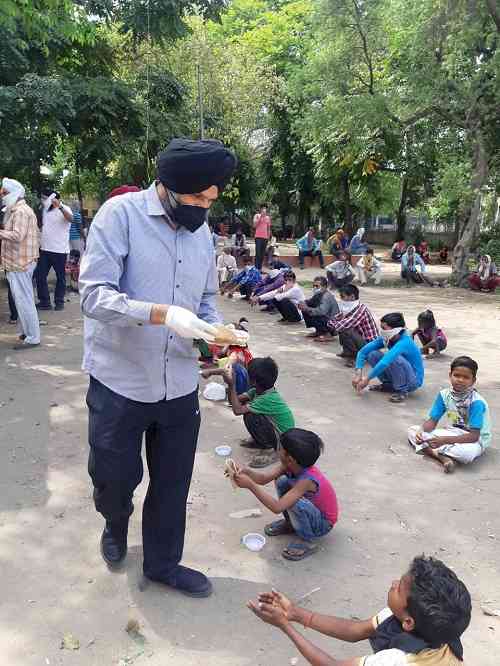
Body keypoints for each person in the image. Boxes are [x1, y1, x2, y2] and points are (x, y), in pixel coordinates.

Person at [79, 137, 238, 598]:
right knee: (113, 478)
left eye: (212, 199)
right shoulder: (120, 216)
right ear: (168, 187)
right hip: (121, 379)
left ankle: (163, 564)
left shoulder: (203, 232)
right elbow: (93, 295)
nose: (205, 208)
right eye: (198, 198)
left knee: (172, 482)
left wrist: (214, 331)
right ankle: (114, 520)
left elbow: (206, 299)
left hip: (180, 382)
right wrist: (162, 313)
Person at [248, 554, 471, 666]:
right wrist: (295, 613)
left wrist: (285, 626)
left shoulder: (396, 661)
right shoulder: (432, 627)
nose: (393, 583)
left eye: (399, 588)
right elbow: (356, 630)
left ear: (409, 623)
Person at [232, 428, 338, 560]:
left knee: (297, 504)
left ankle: (307, 541)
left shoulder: (307, 480)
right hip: (311, 509)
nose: (278, 450)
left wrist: (251, 486)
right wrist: (246, 471)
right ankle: (291, 524)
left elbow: (277, 507)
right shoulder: (289, 465)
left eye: (281, 448)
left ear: (290, 458)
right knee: (282, 481)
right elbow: (264, 479)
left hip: (322, 524)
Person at [408, 356, 491, 474]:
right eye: (456, 375)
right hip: (453, 431)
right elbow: (433, 421)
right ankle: (442, 457)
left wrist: (444, 440)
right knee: (412, 431)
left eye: (466, 377)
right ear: (450, 375)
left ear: (473, 380)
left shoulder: (476, 402)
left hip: (475, 439)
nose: (460, 380)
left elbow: (474, 436)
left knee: (466, 455)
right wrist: (421, 432)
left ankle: (433, 451)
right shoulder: (444, 395)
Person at [222, 357, 295, 468]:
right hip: (280, 434)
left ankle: (271, 450)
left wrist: (232, 385)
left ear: (254, 381)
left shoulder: (267, 398)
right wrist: (230, 387)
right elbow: (236, 399)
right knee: (249, 412)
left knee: (251, 415)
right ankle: (261, 442)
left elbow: (237, 410)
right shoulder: (258, 391)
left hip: (284, 440)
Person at [0, 178, 41, 350]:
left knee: (24, 300)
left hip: (21, 263)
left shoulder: (21, 212)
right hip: (18, 263)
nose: (3, 196)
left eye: (5, 193)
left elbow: (17, 235)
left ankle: (33, 337)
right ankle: (27, 332)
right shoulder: (16, 211)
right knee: (21, 300)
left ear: (15, 194)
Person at [353, 312, 424, 403]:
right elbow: (363, 352)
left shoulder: (405, 342)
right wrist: (358, 373)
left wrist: (367, 380)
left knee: (393, 358)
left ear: (395, 330)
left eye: (384, 328)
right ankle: (388, 384)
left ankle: (402, 390)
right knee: (372, 354)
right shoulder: (388, 338)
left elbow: (385, 362)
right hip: (401, 372)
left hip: (413, 380)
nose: (381, 330)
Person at [36, 190, 73, 311]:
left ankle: (59, 302)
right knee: (40, 276)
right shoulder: (45, 210)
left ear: (52, 199)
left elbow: (71, 219)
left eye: (44, 198)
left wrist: (60, 207)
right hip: (45, 249)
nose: (42, 200)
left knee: (60, 278)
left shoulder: (65, 208)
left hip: (59, 250)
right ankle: (45, 302)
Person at [327, 284, 378, 365]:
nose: (341, 298)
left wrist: (336, 323)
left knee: (346, 329)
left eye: (342, 296)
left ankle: (355, 357)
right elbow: (332, 321)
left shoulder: (361, 309)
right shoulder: (349, 308)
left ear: (352, 297)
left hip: (370, 346)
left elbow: (340, 325)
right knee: (344, 328)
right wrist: (336, 323)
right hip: (362, 341)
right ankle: (348, 352)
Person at [298, 276, 339, 341]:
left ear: (325, 287)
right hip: (326, 319)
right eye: (313, 286)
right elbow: (309, 302)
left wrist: (306, 308)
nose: (314, 288)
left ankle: (328, 334)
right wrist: (302, 303)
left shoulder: (326, 296)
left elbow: (321, 311)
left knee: (314, 312)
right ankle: (319, 331)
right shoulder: (318, 294)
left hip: (332, 324)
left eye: (317, 286)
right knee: (306, 309)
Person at [253, 204, 271, 270]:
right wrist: (260, 217)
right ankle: (256, 269)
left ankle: (259, 269)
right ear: (260, 209)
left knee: (262, 254)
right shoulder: (257, 216)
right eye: (263, 208)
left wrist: (268, 238)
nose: (264, 210)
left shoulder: (268, 218)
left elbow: (268, 228)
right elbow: (254, 225)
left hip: (265, 238)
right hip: (258, 237)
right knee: (258, 253)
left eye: (265, 208)